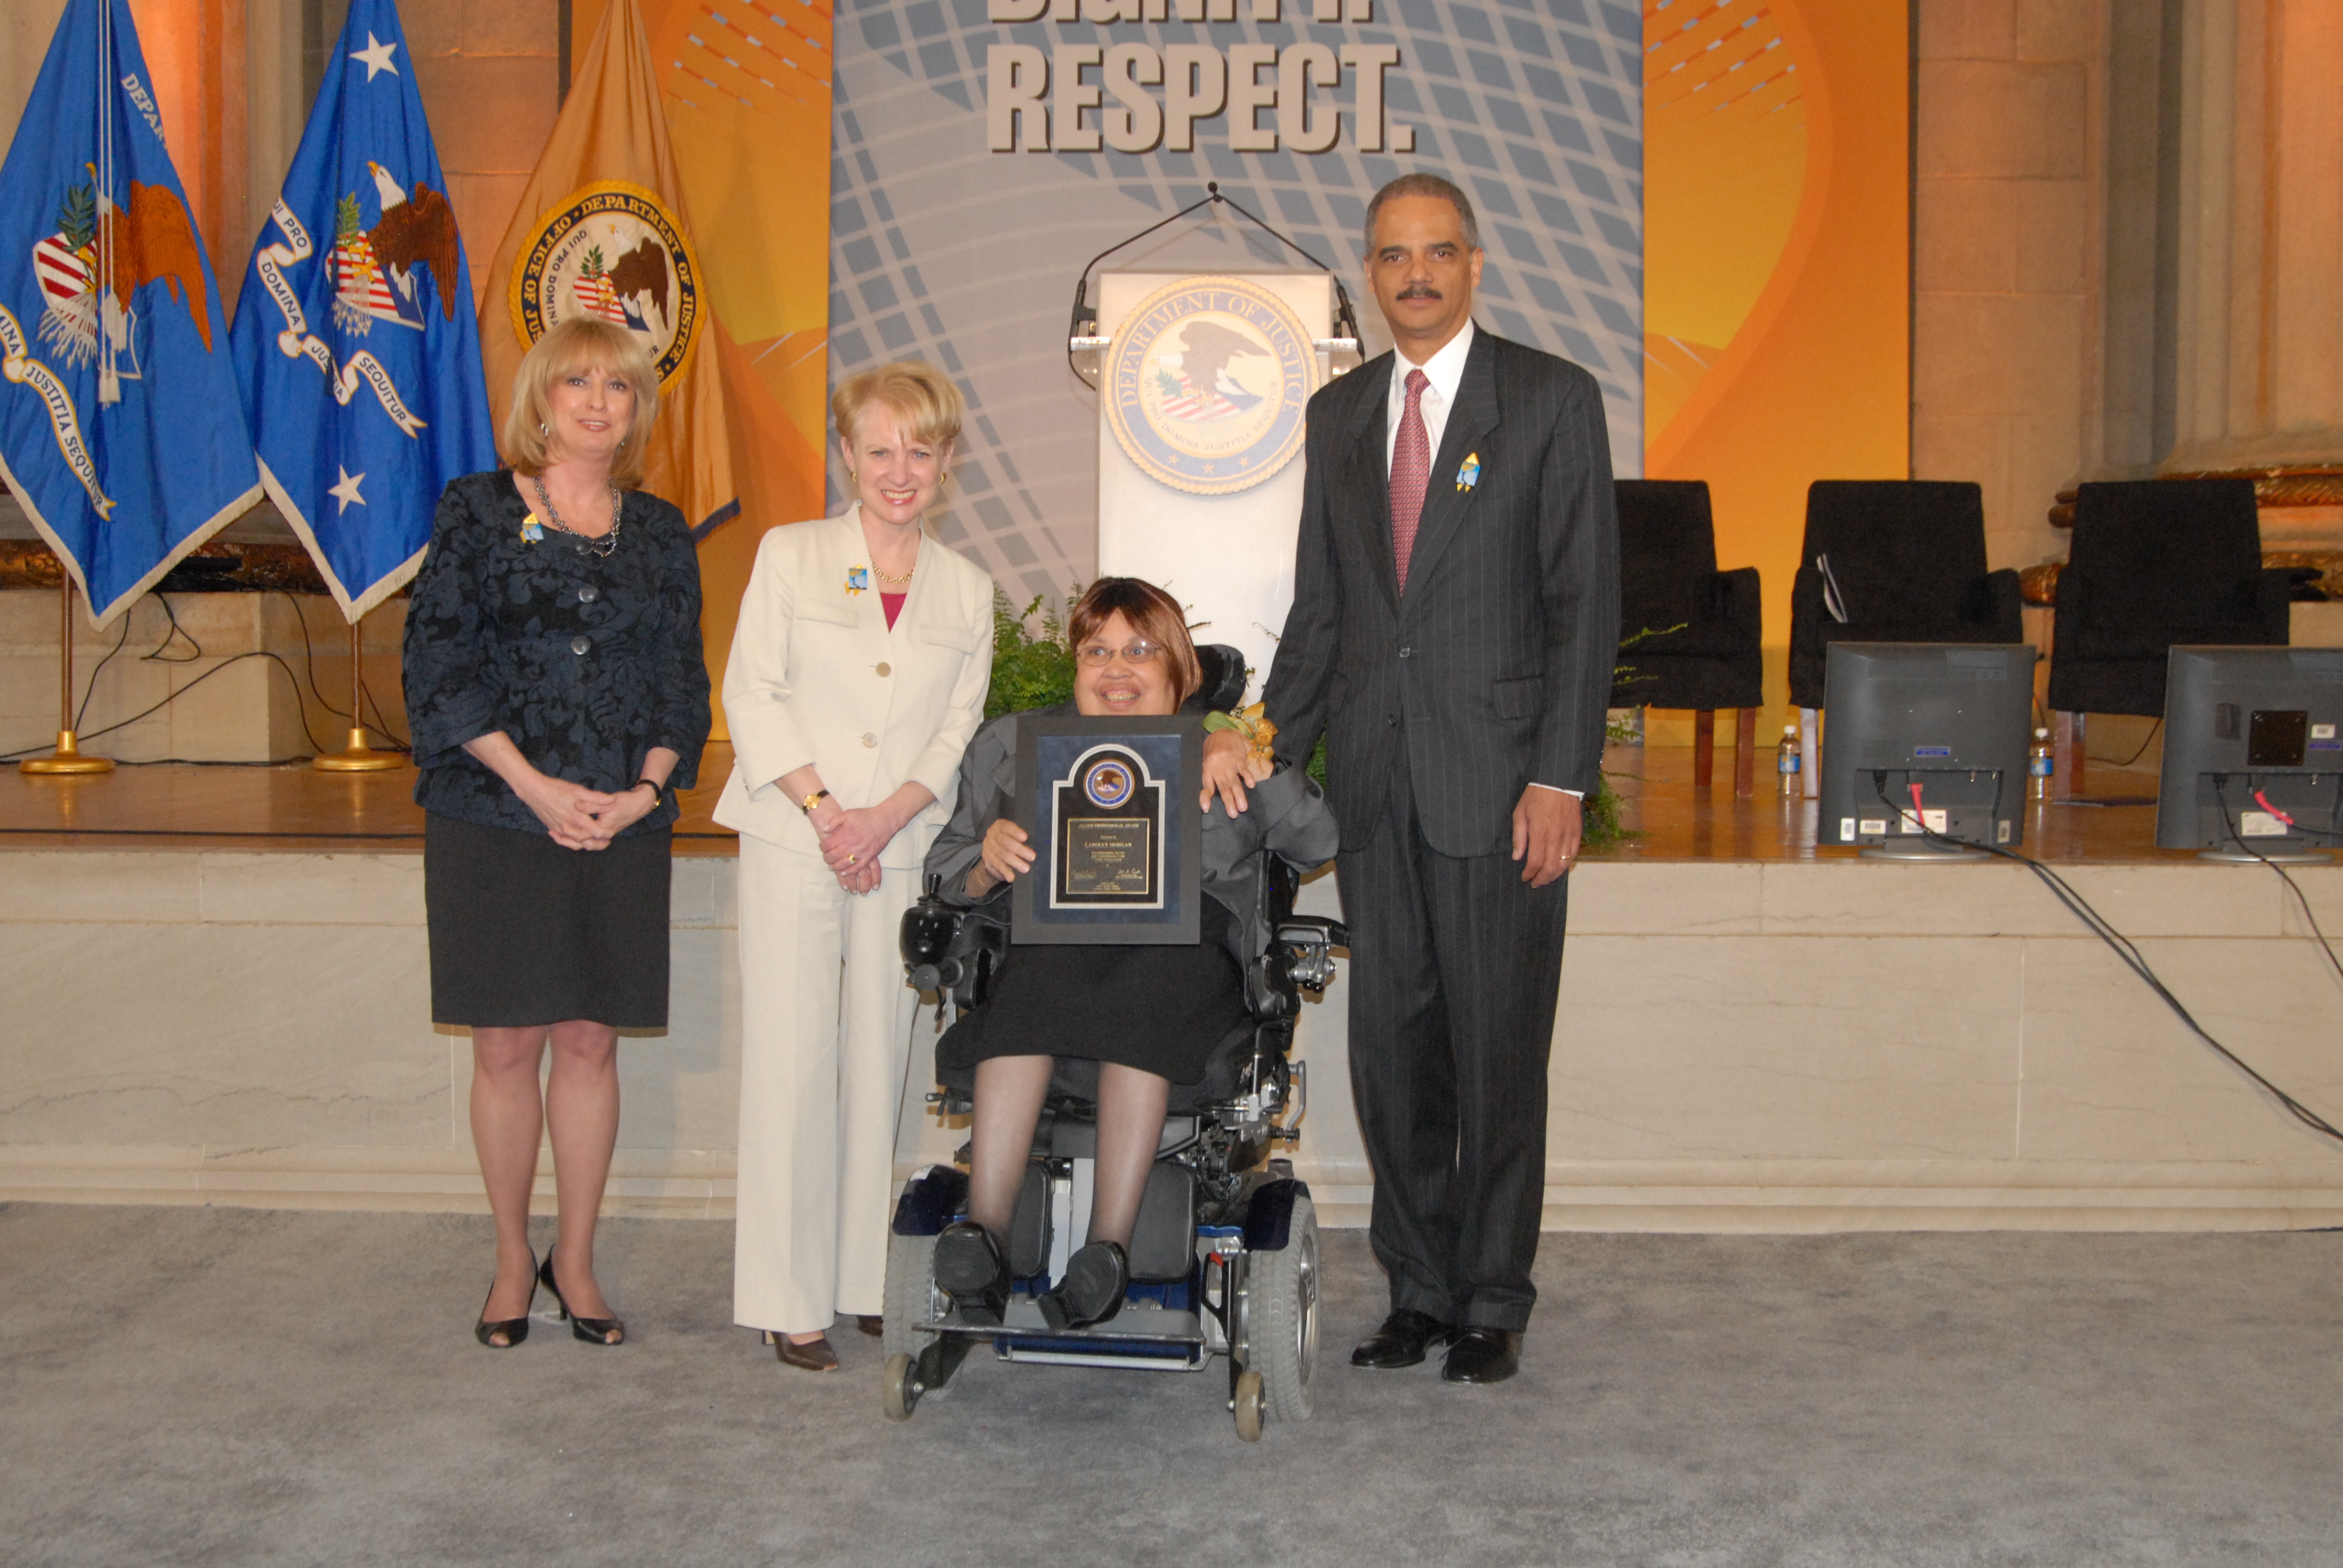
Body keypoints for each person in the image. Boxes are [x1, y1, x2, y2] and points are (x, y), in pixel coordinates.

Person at [1202, 172, 1621, 1384]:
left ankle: (1492, 1296)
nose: (1417, 273)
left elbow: (1582, 604)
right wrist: (1258, 742)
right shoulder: (1339, 415)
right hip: (1379, 795)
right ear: (1370, 273)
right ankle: (1420, 1289)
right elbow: (1323, 614)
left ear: (1474, 265)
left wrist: (1561, 778)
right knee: (1393, 1056)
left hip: (1502, 793)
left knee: (1497, 1055)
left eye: (1439, 252)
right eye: (1394, 255)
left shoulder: (1548, 399)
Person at [402, 315, 711, 1349]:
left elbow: (681, 682)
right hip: (495, 810)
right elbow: (438, 666)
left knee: (588, 1039)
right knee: (505, 1043)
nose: (596, 402)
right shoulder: (476, 508)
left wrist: (645, 792)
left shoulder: (660, 529)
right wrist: (535, 788)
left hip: (620, 820)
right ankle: (508, 1259)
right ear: (541, 397)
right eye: (577, 381)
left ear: (637, 410)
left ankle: (574, 1260)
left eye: (617, 387)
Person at [921, 578, 1338, 1331]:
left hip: (1188, 948)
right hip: (1057, 938)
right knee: (1025, 990)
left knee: (1151, 988)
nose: (1116, 669)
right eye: (1097, 652)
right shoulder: (1015, 746)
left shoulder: (1219, 745)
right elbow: (945, 871)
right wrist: (984, 863)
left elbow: (1316, 843)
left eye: (1140, 651)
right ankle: (982, 1237)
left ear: (1180, 669)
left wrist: (1245, 748)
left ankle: (1106, 1251)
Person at [715, 362, 995, 1373]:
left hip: (901, 845)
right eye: (879, 449)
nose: (899, 470)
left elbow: (955, 732)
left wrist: (882, 821)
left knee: (881, 1059)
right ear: (846, 454)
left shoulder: (968, 587)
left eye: (920, 450)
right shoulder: (792, 556)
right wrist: (830, 815)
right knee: (791, 1061)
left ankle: (860, 1278)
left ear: (948, 459)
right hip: (794, 833)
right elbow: (751, 693)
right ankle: (786, 1298)